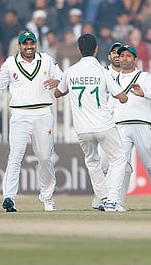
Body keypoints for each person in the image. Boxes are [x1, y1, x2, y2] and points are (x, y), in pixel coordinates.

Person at [0, 31, 62, 212]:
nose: (29, 47)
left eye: (32, 43)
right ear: (19, 46)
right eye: (25, 44)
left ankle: (47, 197)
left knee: (44, 157)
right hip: (19, 115)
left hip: (43, 113)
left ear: (36, 44)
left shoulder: (46, 60)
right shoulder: (10, 63)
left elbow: (62, 77)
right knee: (15, 156)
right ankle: (9, 198)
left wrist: (56, 80)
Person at [54, 33, 128, 211]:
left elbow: (57, 93)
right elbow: (122, 98)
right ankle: (111, 200)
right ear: (97, 49)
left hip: (82, 129)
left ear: (79, 50)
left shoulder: (70, 72)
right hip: (104, 124)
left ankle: (103, 198)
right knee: (119, 159)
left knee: (92, 162)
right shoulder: (102, 71)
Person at [112, 44, 151, 211]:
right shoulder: (114, 79)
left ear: (135, 59)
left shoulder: (143, 76)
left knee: (149, 163)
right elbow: (109, 103)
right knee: (120, 164)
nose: (124, 58)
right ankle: (117, 201)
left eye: (129, 56)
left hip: (142, 124)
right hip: (121, 125)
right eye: (122, 56)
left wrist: (144, 93)